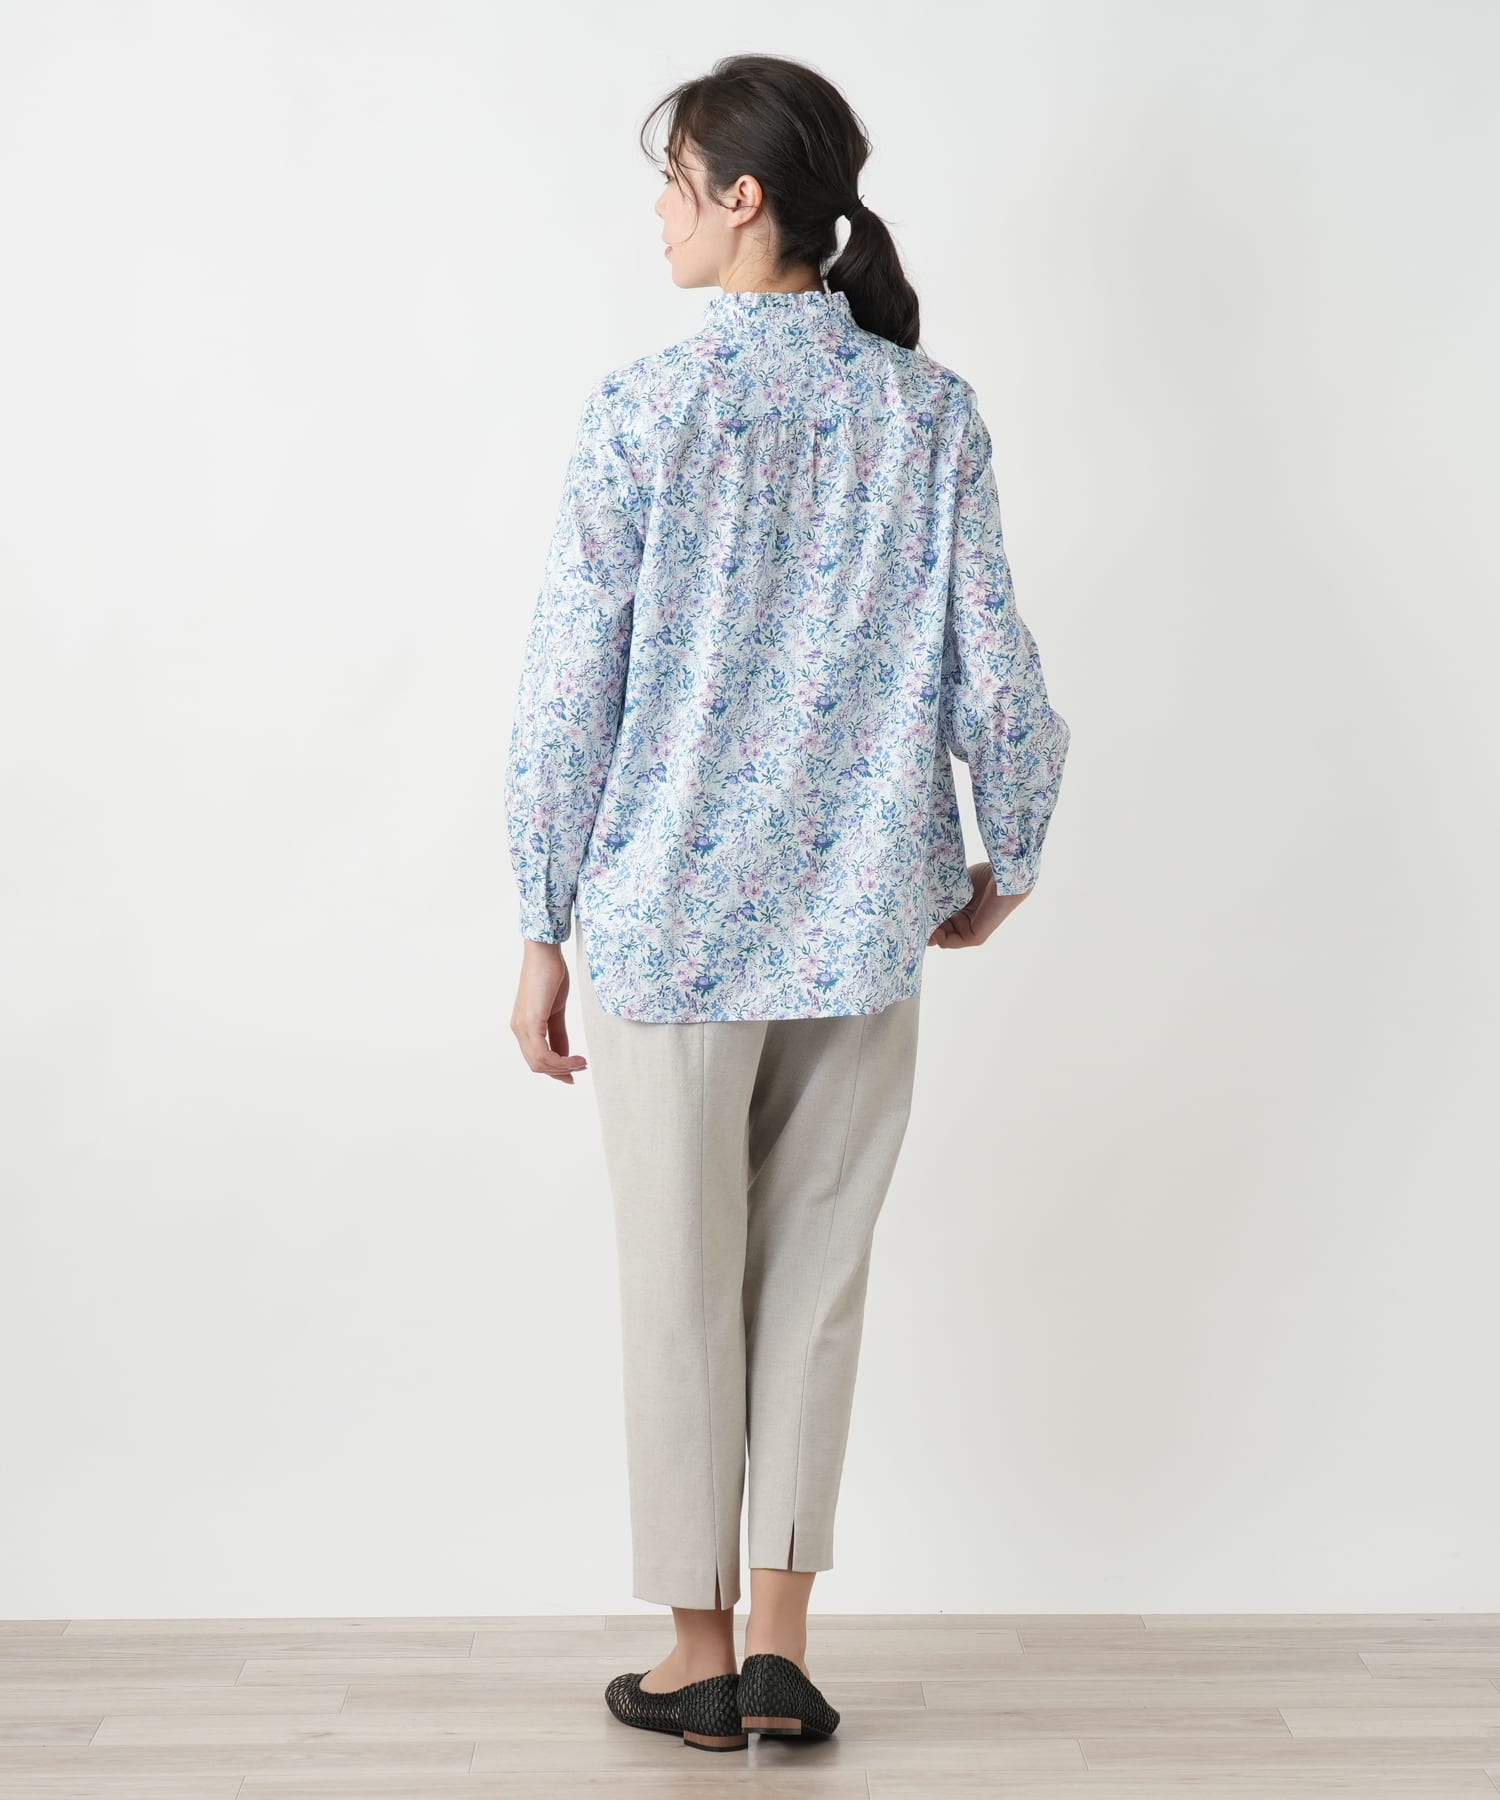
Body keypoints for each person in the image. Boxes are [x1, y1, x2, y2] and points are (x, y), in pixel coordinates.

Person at [503, 53, 1071, 1752]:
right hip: (856, 919)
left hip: (666, 928)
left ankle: (696, 1659)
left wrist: (539, 920)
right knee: (815, 1284)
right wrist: (1008, 854)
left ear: (743, 198)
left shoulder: (643, 412)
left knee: (681, 1290)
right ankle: (780, 1650)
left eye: (677, 180)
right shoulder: (929, 414)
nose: (659, 212)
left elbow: (568, 692)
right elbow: (998, 670)